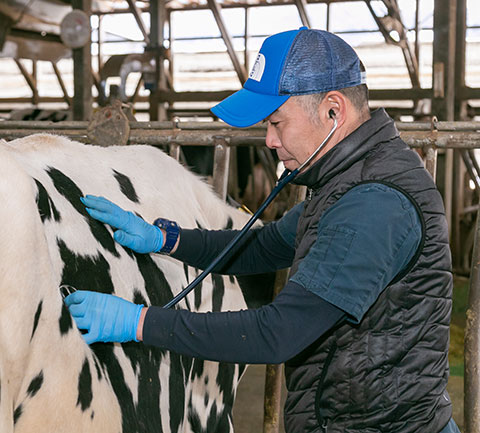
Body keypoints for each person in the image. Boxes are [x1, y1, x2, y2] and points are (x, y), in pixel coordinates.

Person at [65, 27, 460, 433]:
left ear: (333, 111)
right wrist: (167, 238)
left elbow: (278, 333)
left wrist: (139, 323)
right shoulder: (344, 181)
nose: (269, 140)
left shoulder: (373, 202)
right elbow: (267, 244)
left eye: (276, 123)